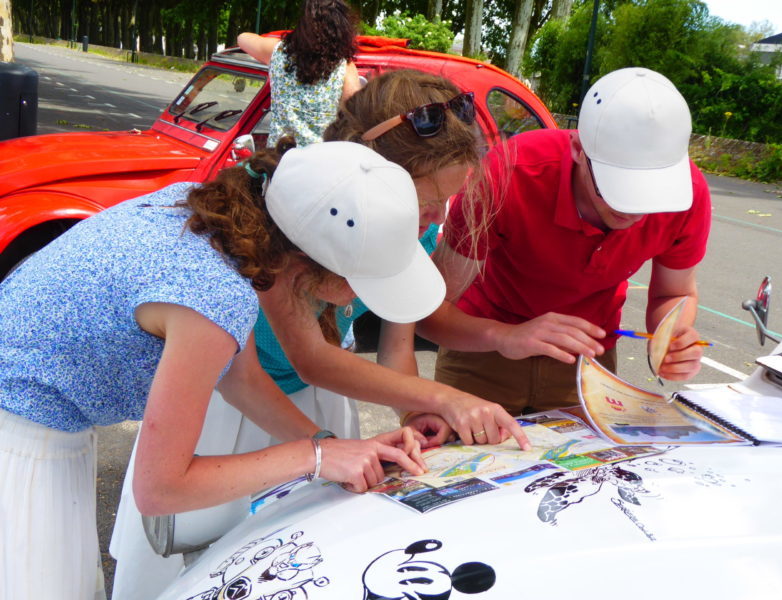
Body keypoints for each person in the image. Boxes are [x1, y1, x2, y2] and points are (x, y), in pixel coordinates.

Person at [109, 70, 530, 600]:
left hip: (299, 407)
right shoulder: (288, 221)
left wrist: (412, 415)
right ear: (380, 174)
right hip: (223, 405)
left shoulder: (382, 222)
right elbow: (306, 358)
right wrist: (446, 398)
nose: (437, 216)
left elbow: (396, 345)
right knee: (202, 568)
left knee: (303, 565)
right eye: (430, 199)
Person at [0, 140, 436, 600]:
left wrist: (334, 447)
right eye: (363, 283)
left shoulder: (213, 224)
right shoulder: (214, 294)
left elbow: (242, 379)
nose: (357, 300)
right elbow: (162, 488)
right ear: (313, 263)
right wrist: (317, 459)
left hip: (36, 422)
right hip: (21, 442)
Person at [415, 67, 713, 416]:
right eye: (614, 190)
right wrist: (505, 337)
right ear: (577, 150)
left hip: (587, 365)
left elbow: (673, 293)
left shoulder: (687, 195)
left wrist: (672, 339)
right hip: (482, 351)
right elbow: (429, 312)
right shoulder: (508, 173)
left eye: (651, 197)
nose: (633, 213)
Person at [236, 0, 361, 146]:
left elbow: (242, 38)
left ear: (303, 23)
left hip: (279, 158)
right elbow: (356, 118)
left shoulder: (278, 51)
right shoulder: (345, 67)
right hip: (319, 161)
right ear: (343, 28)